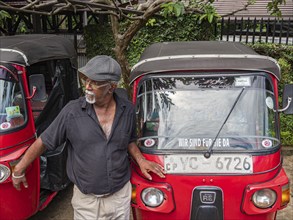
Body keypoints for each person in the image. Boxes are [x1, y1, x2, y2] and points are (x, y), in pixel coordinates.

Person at [12, 55, 166, 220]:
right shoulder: (72, 112)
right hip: (87, 203)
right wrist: (19, 169)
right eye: (86, 80)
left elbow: (129, 140)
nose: (87, 86)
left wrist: (141, 161)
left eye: (95, 82)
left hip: (120, 197)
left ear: (112, 87)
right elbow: (43, 141)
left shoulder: (126, 109)